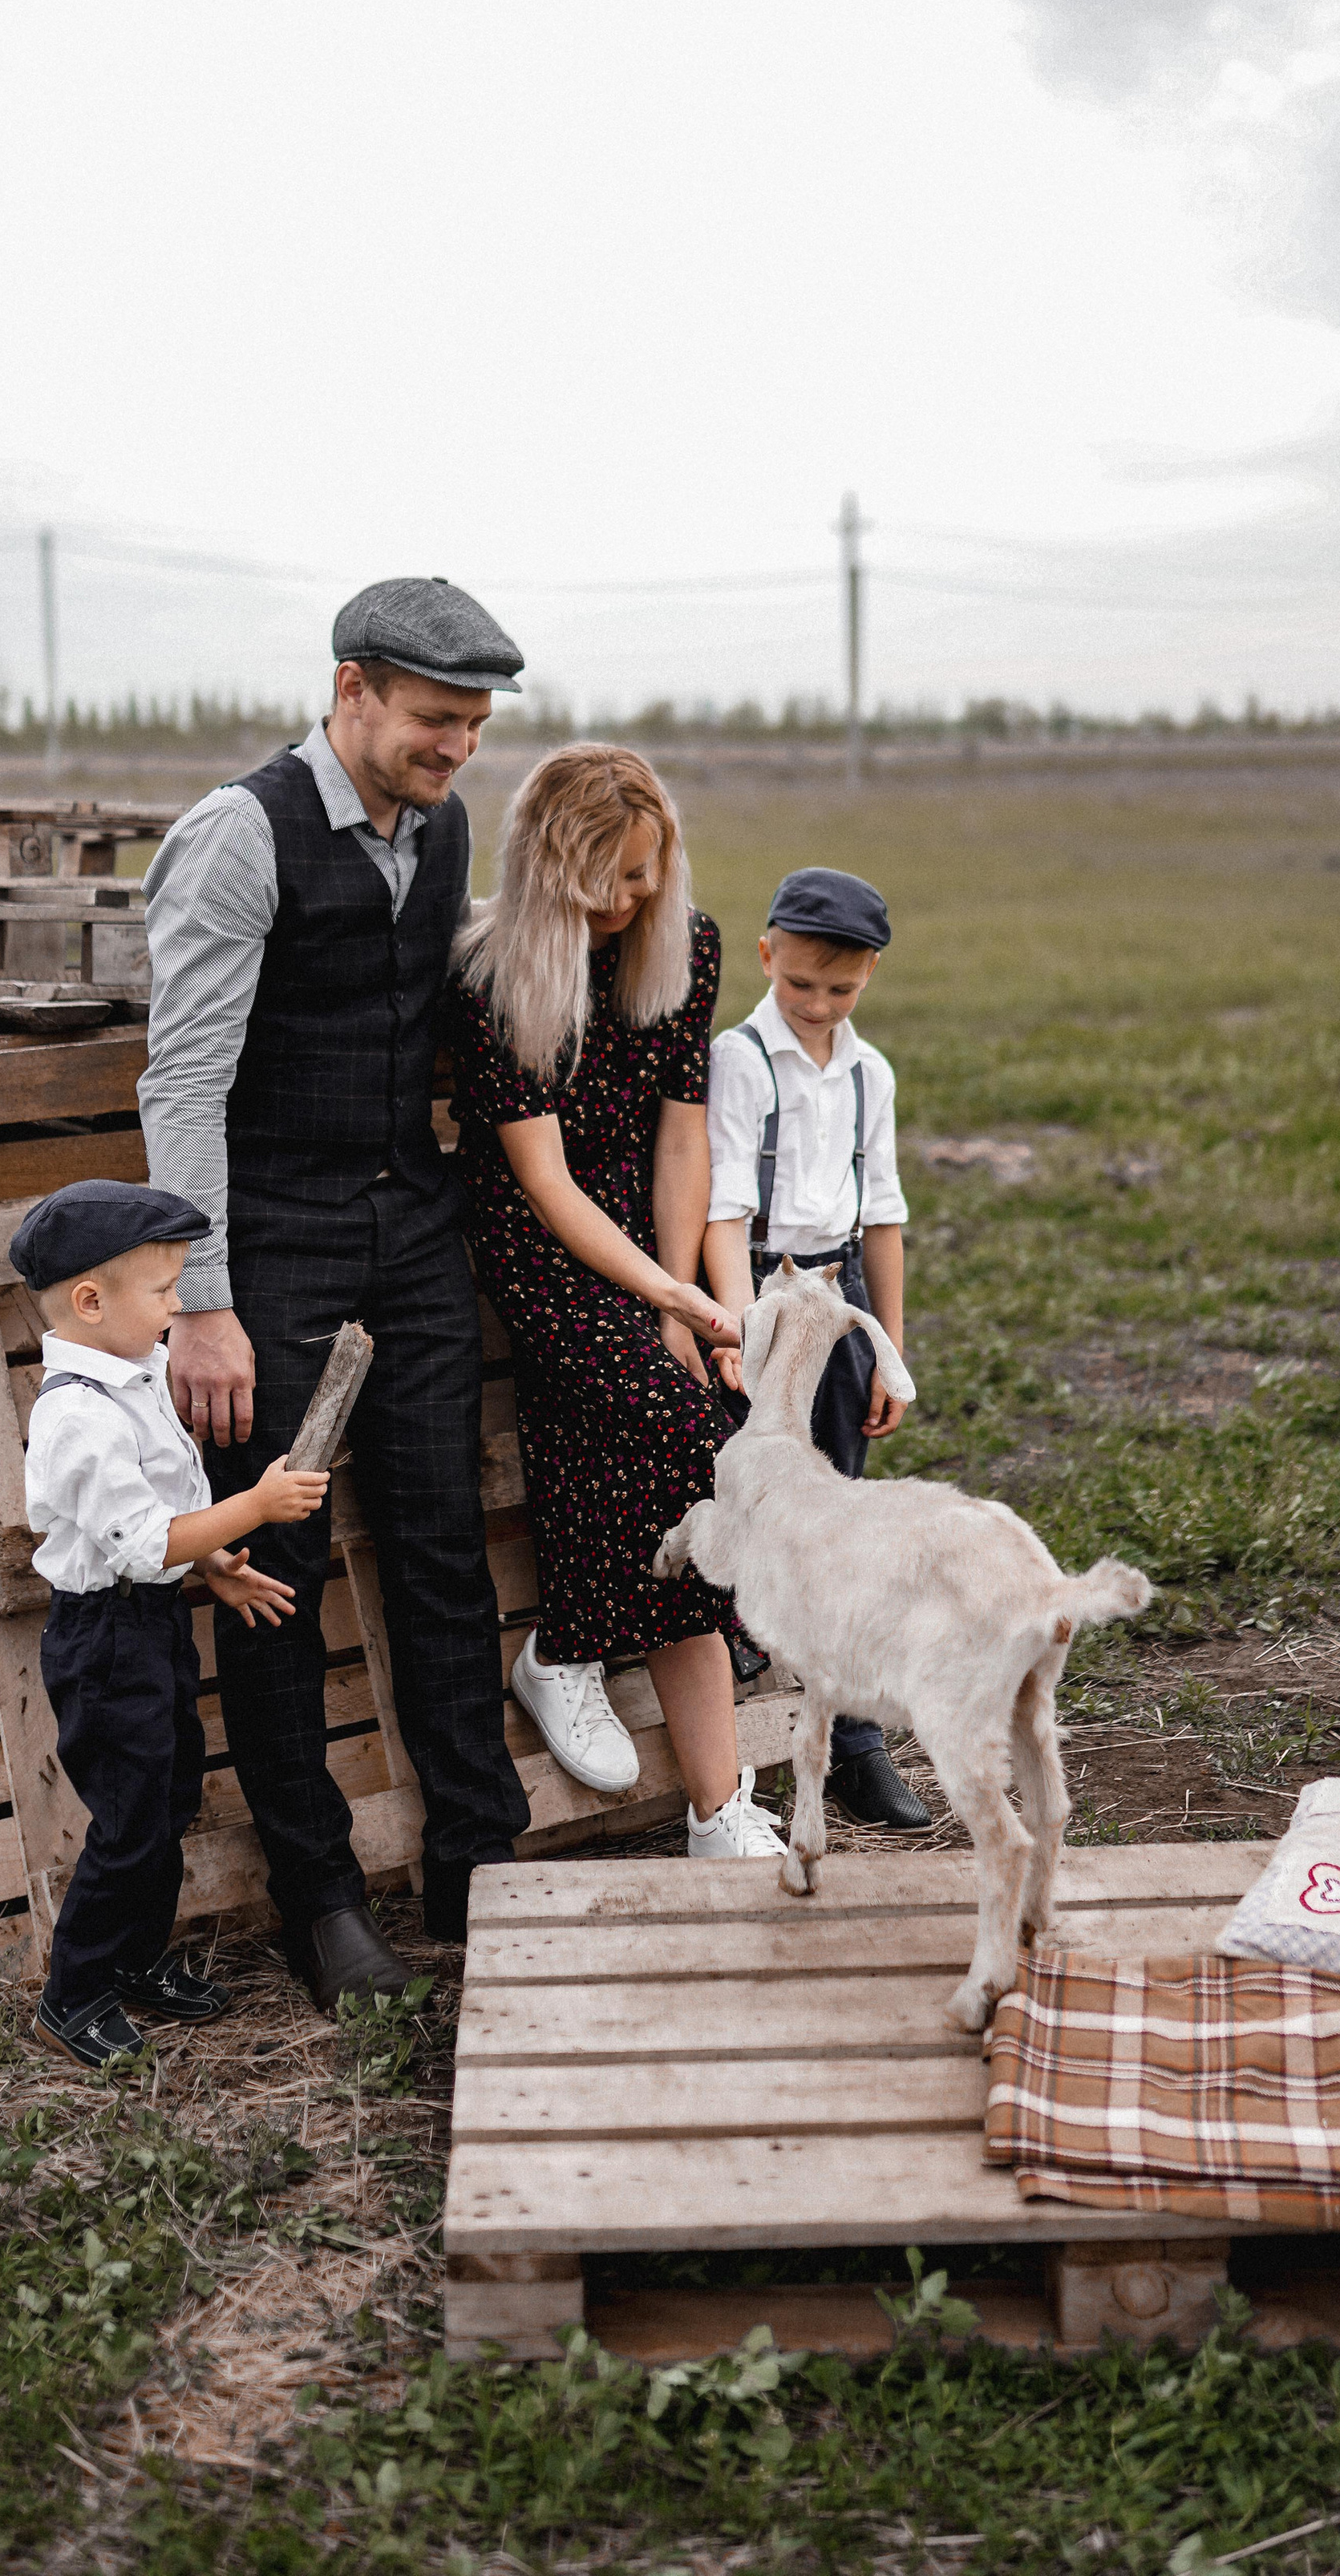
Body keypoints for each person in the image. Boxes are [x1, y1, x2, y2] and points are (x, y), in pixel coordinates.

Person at [139, 578, 532, 2006]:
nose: (458, 751)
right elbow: (180, 1079)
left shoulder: (443, 827)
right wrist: (204, 1297)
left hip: (411, 1231)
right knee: (280, 1578)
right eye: (436, 721)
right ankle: (320, 1898)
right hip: (283, 1248)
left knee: (439, 1542)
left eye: (477, 727)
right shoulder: (236, 837)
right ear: (353, 686)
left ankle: (479, 1867)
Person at [443, 744, 782, 1857]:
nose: (628, 901)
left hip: (644, 1227)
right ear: (550, 876)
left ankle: (706, 1801)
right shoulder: (491, 976)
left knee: (685, 1431)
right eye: (605, 884)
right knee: (683, 1425)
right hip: (540, 1242)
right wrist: (657, 1296)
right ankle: (571, 1645)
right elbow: (541, 1182)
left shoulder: (685, 944)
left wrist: (678, 1294)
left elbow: (683, 1131)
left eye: (645, 875)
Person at [12, 1179, 314, 2068]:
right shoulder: (77, 1417)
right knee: (130, 1819)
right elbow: (142, 1544)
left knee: (170, 1796)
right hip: (105, 1640)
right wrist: (254, 1508)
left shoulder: (133, 1374)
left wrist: (213, 1564)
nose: (178, 1304)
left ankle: (133, 1960)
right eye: (162, 1290)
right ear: (90, 1301)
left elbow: (161, 1512)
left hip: (149, 1622)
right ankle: (71, 1995)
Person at [702, 867, 929, 1830]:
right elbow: (724, 1205)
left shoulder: (869, 1073)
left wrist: (888, 1351)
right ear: (767, 956)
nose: (817, 1004)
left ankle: (855, 1746)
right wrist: (731, 1327)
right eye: (800, 984)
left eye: (840, 990)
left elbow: (882, 1218)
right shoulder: (739, 1059)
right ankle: (740, 1740)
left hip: (836, 1305)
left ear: (870, 975)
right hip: (757, 1299)